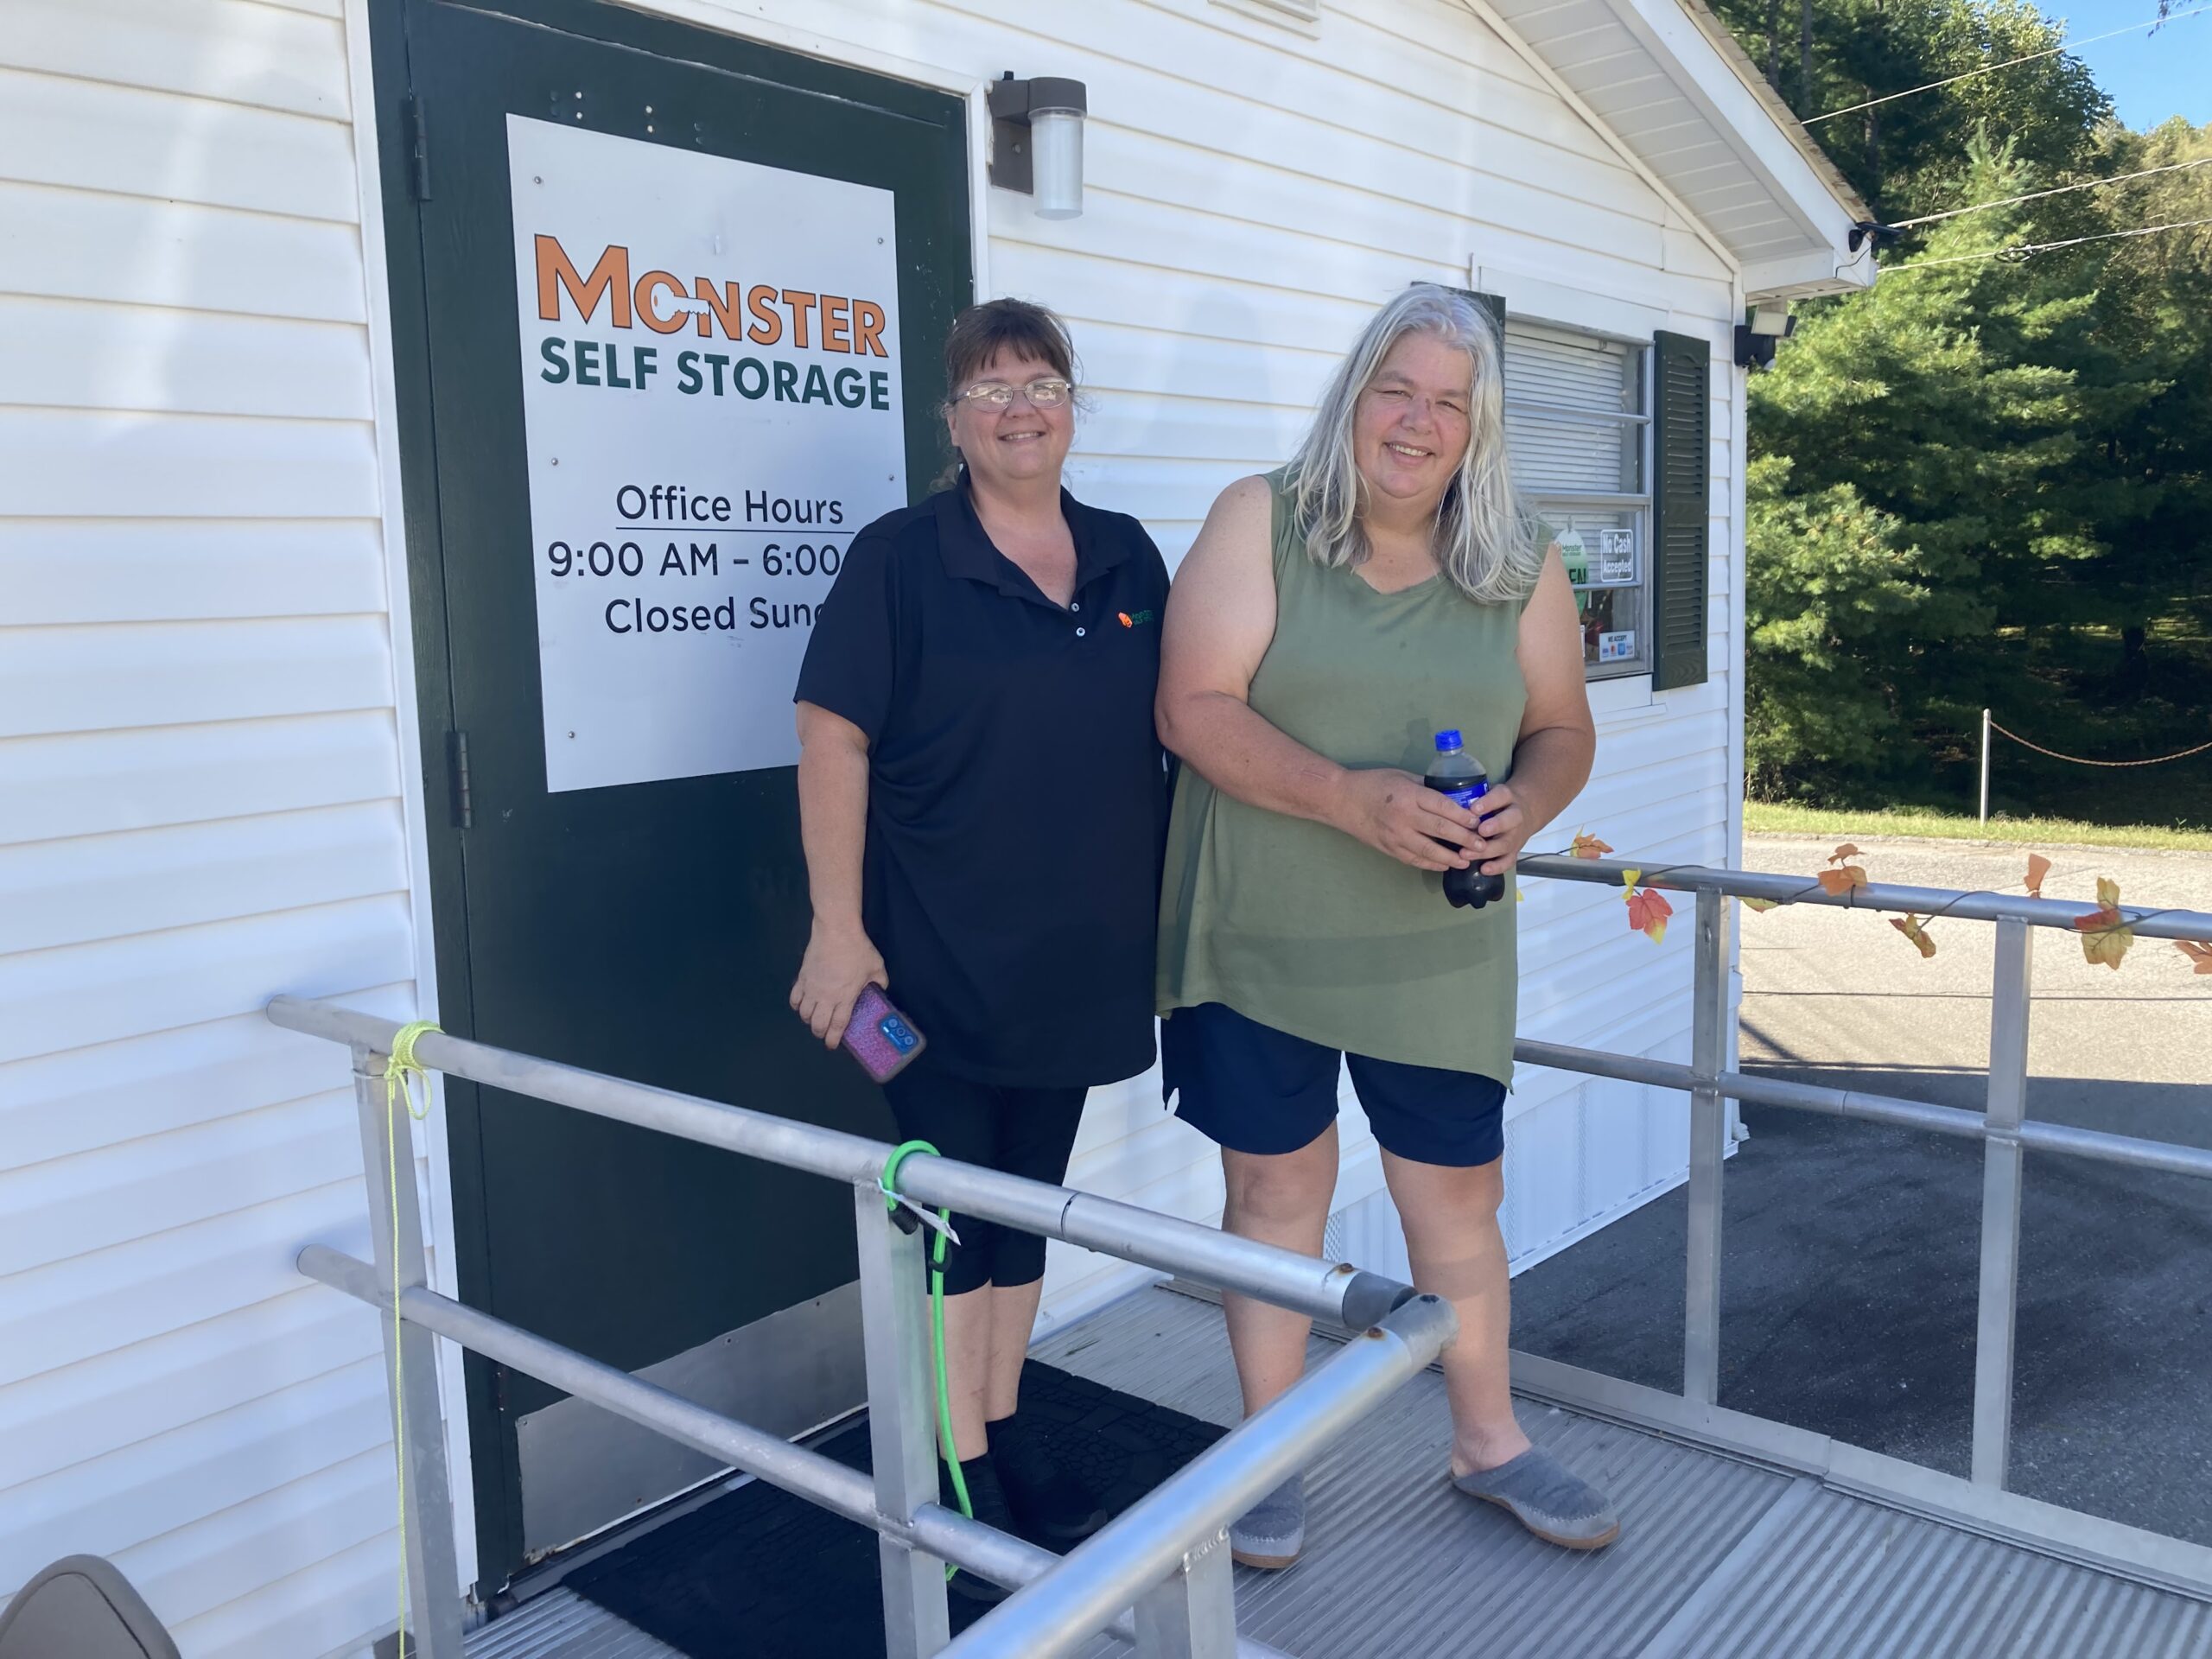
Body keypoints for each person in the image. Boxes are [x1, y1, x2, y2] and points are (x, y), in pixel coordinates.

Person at [1154, 284, 1611, 1566]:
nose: (1418, 422)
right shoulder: (1264, 520)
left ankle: (1489, 1443)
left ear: (1479, 429)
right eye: (1397, 390)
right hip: (1259, 932)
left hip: (1438, 944)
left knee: (1458, 1199)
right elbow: (1193, 708)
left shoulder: (1518, 557)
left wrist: (1525, 802)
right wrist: (1354, 800)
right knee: (1276, 1189)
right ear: (1356, 394)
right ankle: (1271, 1452)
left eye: (1449, 405)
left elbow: (1564, 728)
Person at [790, 298, 1170, 1599]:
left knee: (1023, 1215)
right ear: (951, 421)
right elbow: (830, 736)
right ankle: (958, 1480)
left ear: (1074, 404)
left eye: (1043, 380)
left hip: (1078, 963)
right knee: (954, 1220)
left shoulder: (1126, 559)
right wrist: (839, 931)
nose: (1020, 405)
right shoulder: (900, 559)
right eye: (990, 388)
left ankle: (999, 1429)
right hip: (930, 964)